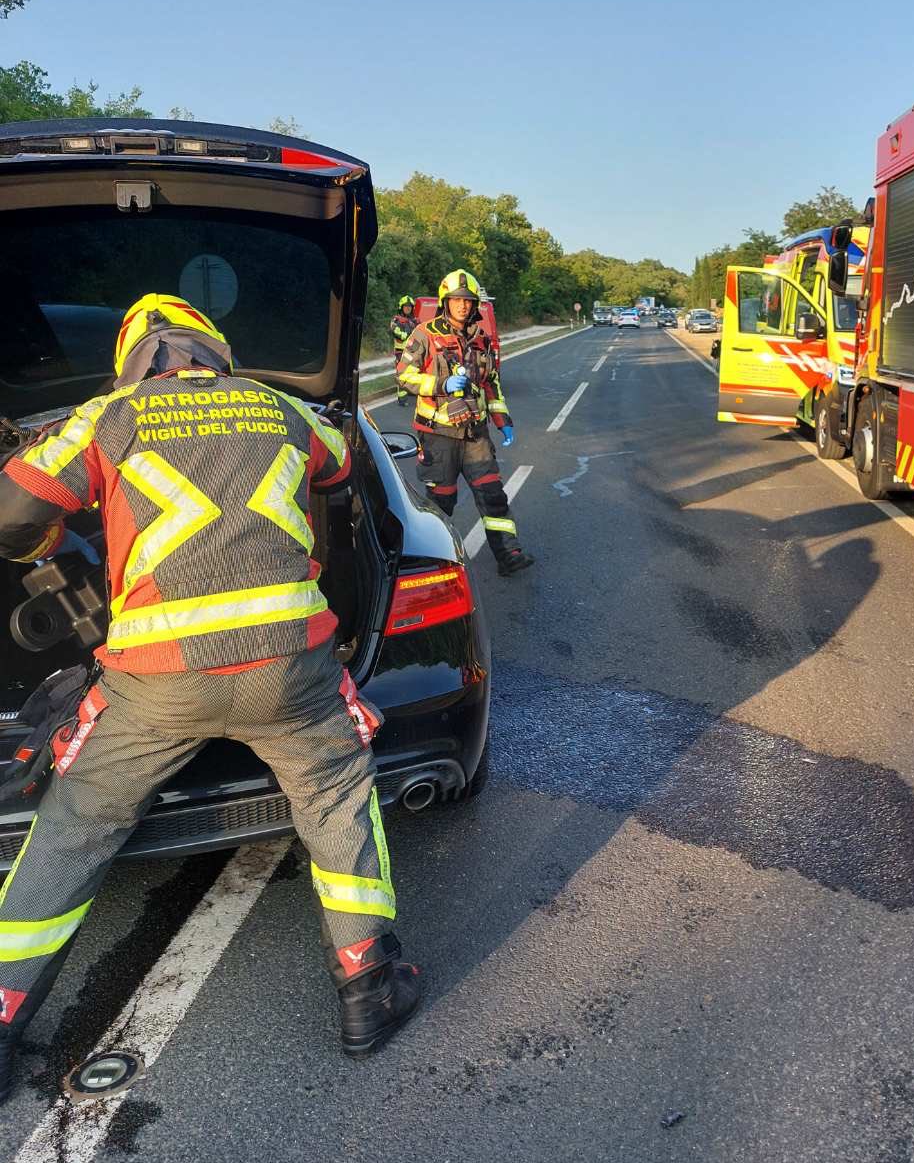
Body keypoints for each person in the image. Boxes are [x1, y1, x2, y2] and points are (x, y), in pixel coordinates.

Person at [0, 294, 422, 1103]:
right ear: (215, 352)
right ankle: (370, 987)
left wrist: (54, 538)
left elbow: (15, 516)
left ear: (135, 359)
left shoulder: (106, 418)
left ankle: (5, 1013)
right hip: (290, 672)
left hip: (157, 683)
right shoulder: (280, 406)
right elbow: (342, 468)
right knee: (335, 798)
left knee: (76, 827)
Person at [396, 269, 533, 577]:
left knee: (493, 495)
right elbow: (404, 376)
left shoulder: (481, 341)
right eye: (456, 300)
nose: (462, 306)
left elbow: (491, 384)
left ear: (474, 306)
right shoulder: (425, 334)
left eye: (468, 301)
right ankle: (434, 562)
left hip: (475, 434)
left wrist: (502, 420)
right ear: (446, 302)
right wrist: (442, 384)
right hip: (438, 435)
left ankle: (508, 553)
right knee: (441, 501)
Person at [390, 295, 418, 401]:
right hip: (400, 352)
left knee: (414, 371)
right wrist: (409, 330)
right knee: (401, 373)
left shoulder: (416, 321)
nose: (408, 308)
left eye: (410, 307)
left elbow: (421, 335)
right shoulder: (395, 320)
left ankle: (412, 391)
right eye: (405, 306)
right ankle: (402, 397)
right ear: (401, 307)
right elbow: (400, 335)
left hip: (414, 351)